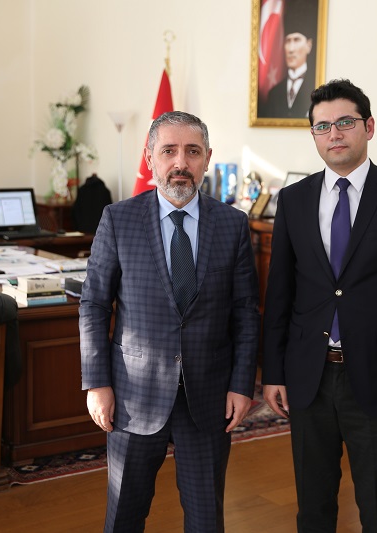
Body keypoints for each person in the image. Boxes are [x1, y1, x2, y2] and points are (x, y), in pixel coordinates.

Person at [262, 79, 377, 532]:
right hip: (309, 376)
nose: (334, 133)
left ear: (369, 127)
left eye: (345, 122)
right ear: (314, 136)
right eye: (322, 126)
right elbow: (279, 294)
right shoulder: (294, 200)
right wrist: (274, 372)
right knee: (313, 506)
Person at [79, 111, 260, 533]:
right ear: (149, 158)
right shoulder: (118, 219)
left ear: (207, 158)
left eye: (192, 151)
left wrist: (241, 384)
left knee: (206, 519)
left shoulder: (233, 224)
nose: (181, 162)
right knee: (124, 516)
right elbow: (94, 305)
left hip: (209, 398)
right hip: (133, 397)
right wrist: (97, 383)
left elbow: (245, 312)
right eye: (169, 151)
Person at [257, 3, 316, 119]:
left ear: (308, 45)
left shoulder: (317, 89)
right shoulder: (274, 93)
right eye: (288, 41)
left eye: (296, 40)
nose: (291, 49)